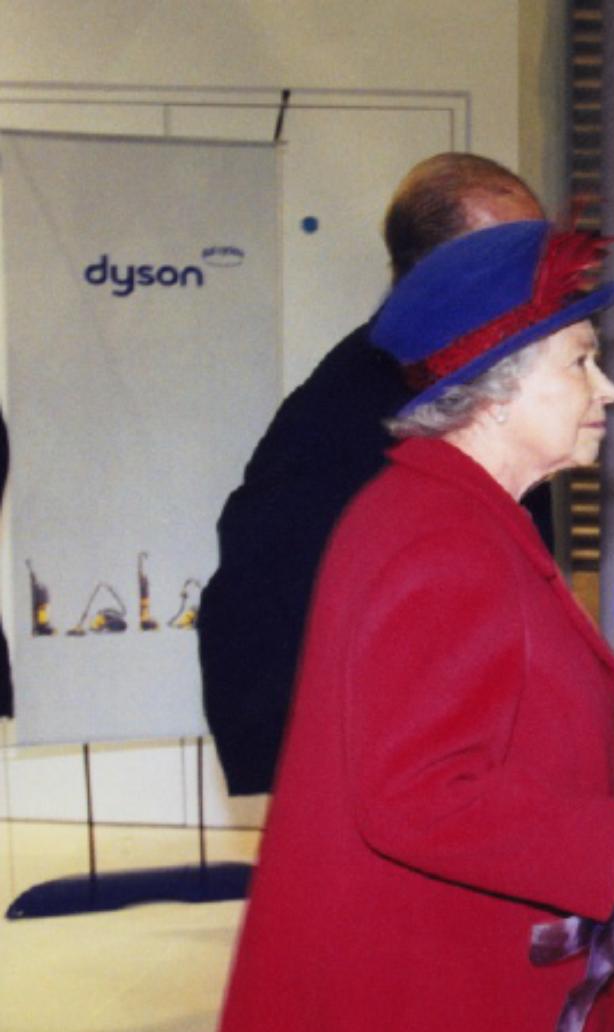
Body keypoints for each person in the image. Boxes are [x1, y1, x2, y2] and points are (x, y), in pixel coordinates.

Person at [211, 221, 614, 1032]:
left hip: (450, 963)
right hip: (433, 999)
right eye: (579, 361)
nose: (606, 389)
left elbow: (490, 739)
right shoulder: (442, 541)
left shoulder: (454, 514)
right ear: (495, 387)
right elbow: (418, 796)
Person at [198, 153, 550, 796]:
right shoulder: (379, 398)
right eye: (507, 254)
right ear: (432, 270)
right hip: (354, 748)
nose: (533, 276)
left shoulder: (477, 377)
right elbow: (282, 580)